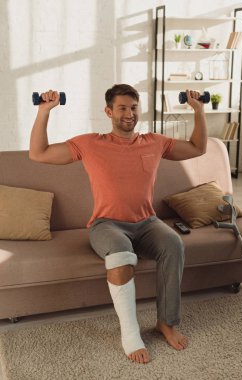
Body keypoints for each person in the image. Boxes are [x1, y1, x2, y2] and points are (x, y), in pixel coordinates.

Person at [30, 84, 207, 364]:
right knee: (122, 253)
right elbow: (38, 154)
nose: (129, 113)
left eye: (134, 107)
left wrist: (199, 110)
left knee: (173, 243)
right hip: (106, 225)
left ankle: (167, 323)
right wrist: (44, 111)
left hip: (147, 222)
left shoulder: (154, 142)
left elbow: (198, 148)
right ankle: (131, 332)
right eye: (122, 108)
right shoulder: (89, 143)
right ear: (108, 111)